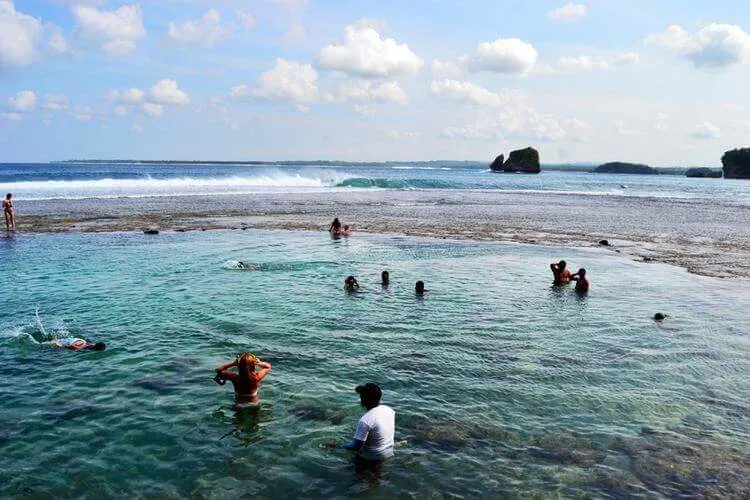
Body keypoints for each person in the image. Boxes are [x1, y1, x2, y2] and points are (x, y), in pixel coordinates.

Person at [343, 383, 395, 467]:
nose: (360, 397)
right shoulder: (389, 410)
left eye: (361, 395)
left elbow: (355, 446)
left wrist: (338, 446)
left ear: (364, 399)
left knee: (355, 473)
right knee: (376, 475)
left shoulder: (365, 420)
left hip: (371, 457)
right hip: (388, 452)